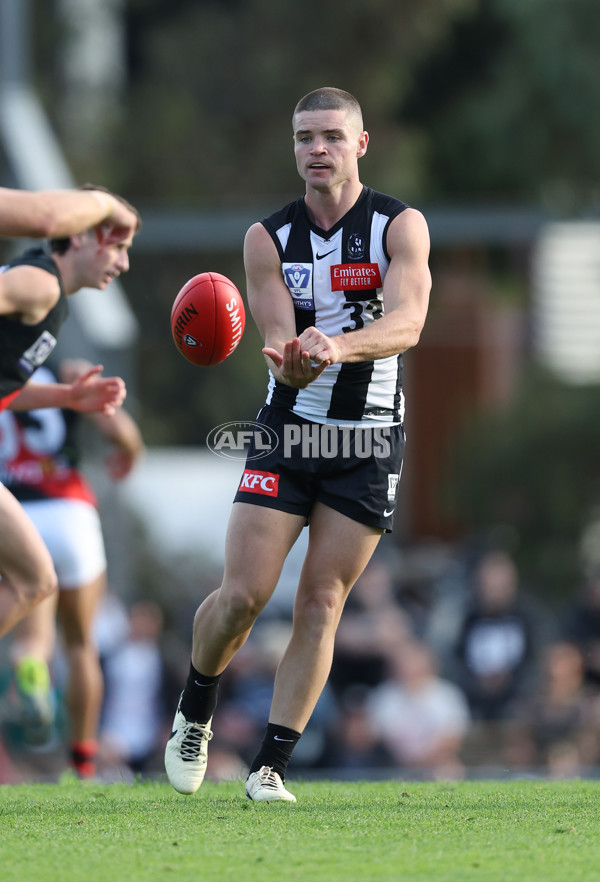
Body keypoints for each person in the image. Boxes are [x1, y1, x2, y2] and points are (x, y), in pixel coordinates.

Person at [165, 86, 431, 802]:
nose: (318, 149)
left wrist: (337, 347)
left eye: (332, 137)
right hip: (289, 432)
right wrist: (292, 355)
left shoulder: (399, 227)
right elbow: (275, 334)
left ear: (361, 144)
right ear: (294, 148)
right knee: (245, 596)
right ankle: (196, 708)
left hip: (371, 441)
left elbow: (409, 323)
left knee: (322, 602)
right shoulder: (268, 238)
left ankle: (270, 767)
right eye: (305, 137)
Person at [0, 186, 140, 641]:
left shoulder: (48, 296)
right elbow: (41, 217)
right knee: (33, 580)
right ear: (77, 237)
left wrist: (65, 397)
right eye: (117, 244)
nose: (123, 263)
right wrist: (105, 202)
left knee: (35, 580)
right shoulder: (41, 284)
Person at [1, 357, 144, 774]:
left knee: (33, 632)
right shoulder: (66, 369)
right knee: (81, 645)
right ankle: (82, 764)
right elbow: (119, 429)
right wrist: (130, 451)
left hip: (15, 514)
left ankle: (30, 669)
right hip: (69, 511)